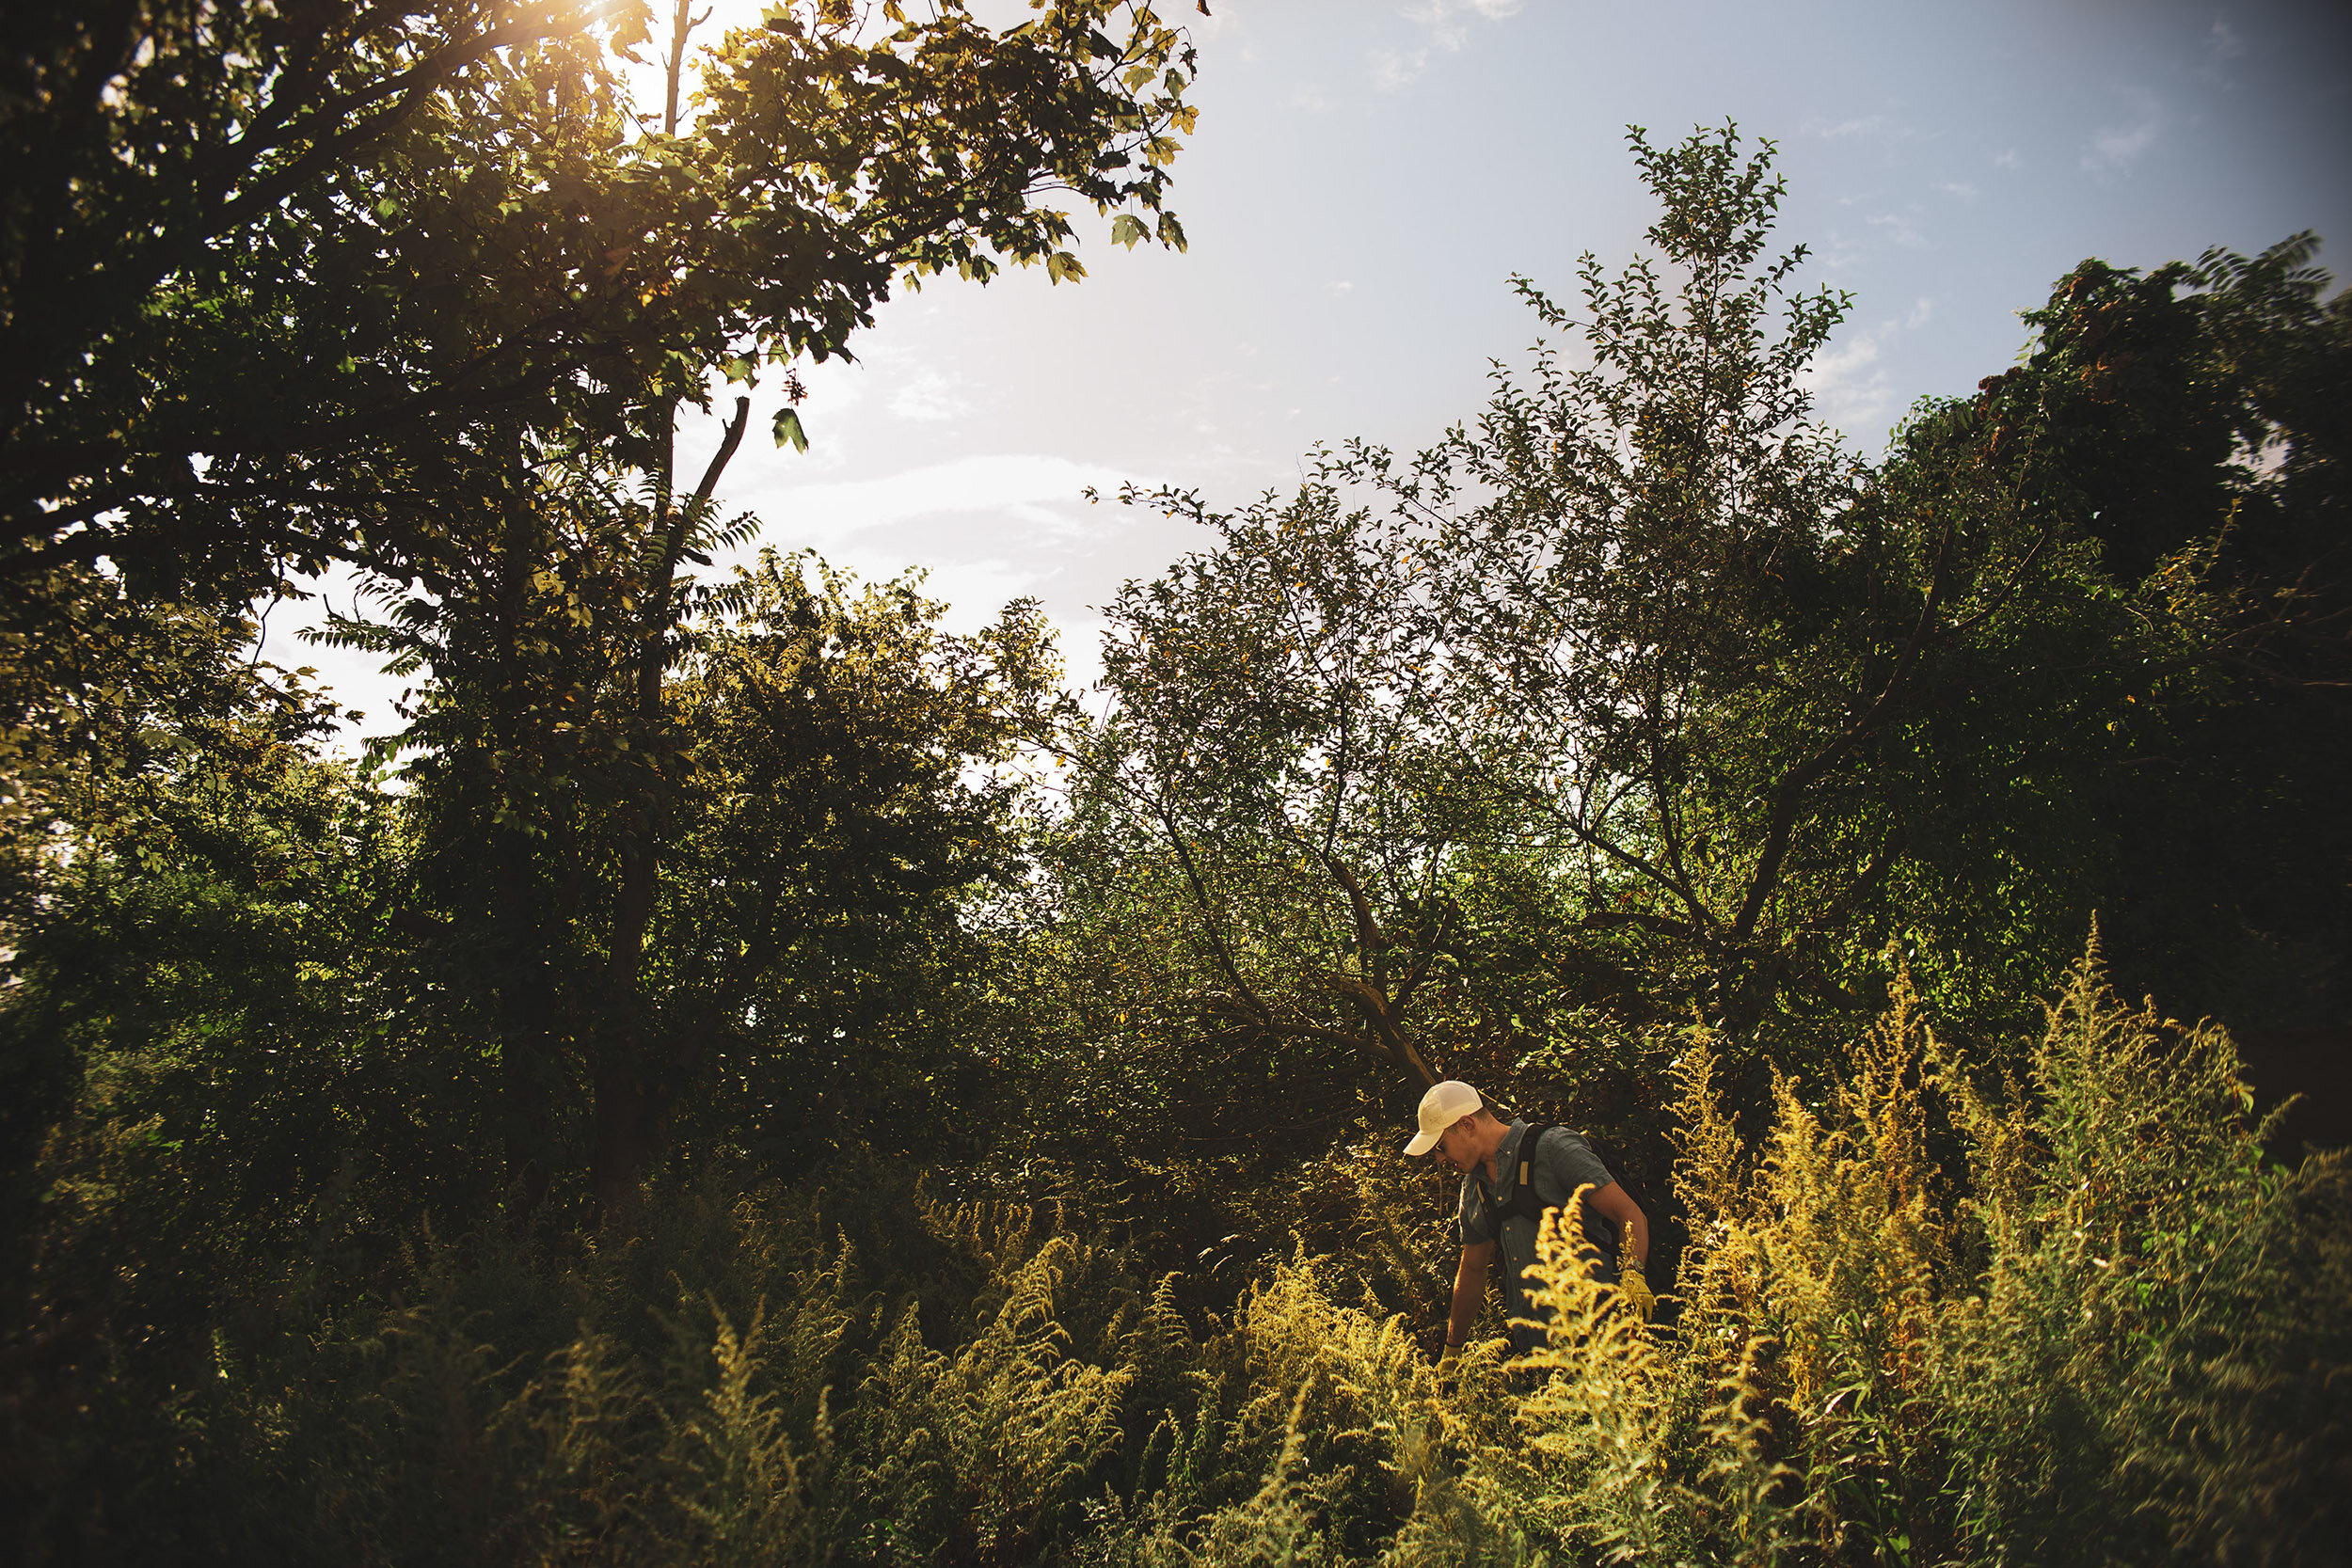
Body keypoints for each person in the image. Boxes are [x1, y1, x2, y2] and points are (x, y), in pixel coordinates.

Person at [1404, 1079, 1654, 1371]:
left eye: (1440, 1145)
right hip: (1540, 1357)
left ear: (1467, 1125)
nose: (1440, 1158)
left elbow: (1628, 1214)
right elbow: (1472, 1269)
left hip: (1604, 1339)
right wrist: (1452, 1350)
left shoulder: (1552, 1149)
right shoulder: (1474, 1189)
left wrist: (1633, 1273)